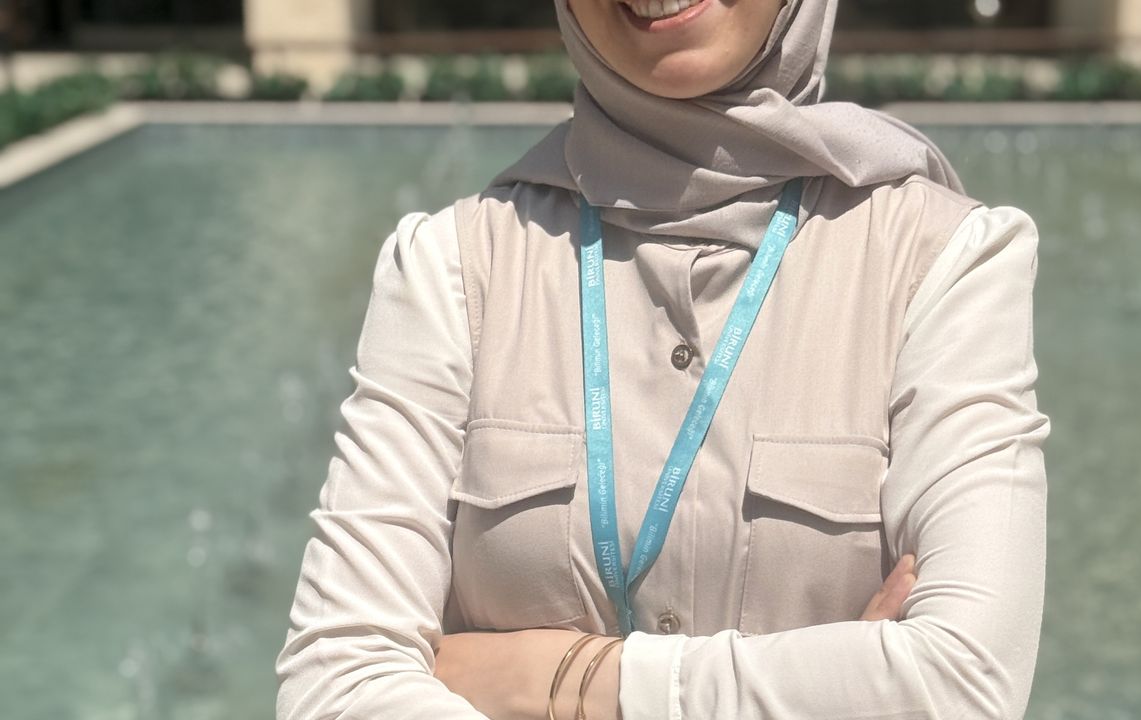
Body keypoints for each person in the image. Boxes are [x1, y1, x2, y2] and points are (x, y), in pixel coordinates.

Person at [274, 0, 1051, 717]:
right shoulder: (452, 269)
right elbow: (330, 687)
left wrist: (563, 682)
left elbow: (964, 685)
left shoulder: (945, 263)